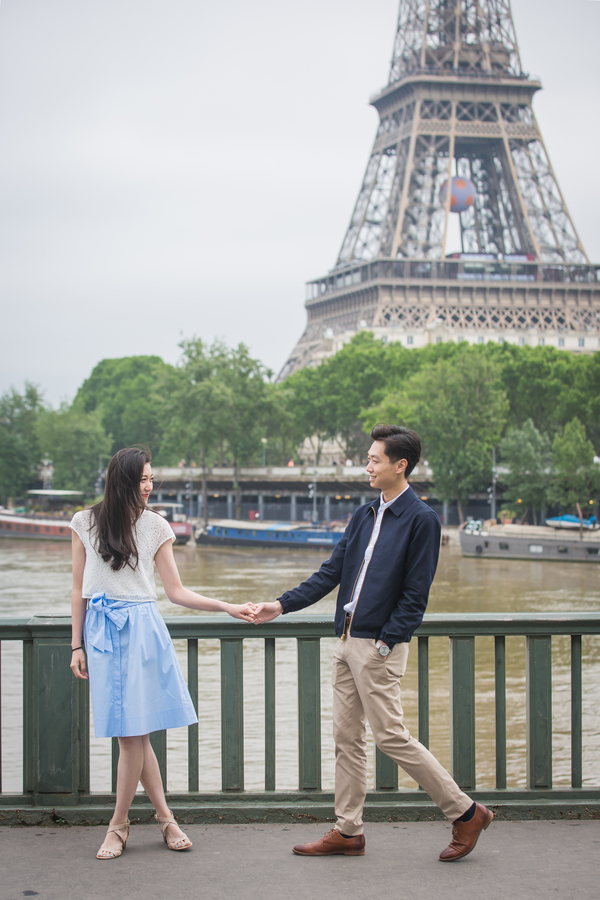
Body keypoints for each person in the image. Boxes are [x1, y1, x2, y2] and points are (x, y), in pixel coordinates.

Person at [253, 424, 493, 863]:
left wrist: (386, 642)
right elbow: (331, 573)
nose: (367, 465)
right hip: (345, 640)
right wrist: (280, 605)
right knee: (347, 739)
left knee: (391, 737)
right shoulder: (364, 515)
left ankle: (466, 812)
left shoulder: (422, 520)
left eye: (374, 459)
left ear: (400, 466)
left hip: (377, 647)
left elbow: (416, 594)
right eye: (368, 459)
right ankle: (348, 830)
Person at [70, 446, 256, 860]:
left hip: (141, 631)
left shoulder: (156, 525)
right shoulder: (83, 522)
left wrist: (227, 606)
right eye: (143, 479)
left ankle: (118, 826)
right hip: (101, 633)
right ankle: (165, 818)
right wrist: (76, 644)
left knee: (132, 735)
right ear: (122, 481)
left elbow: (176, 592)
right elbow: (78, 589)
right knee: (133, 735)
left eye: (152, 479)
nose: (150, 486)